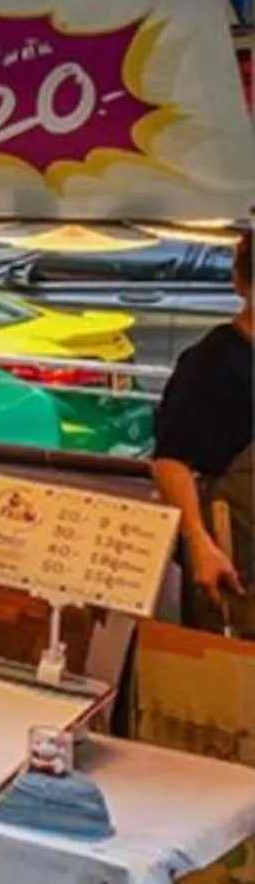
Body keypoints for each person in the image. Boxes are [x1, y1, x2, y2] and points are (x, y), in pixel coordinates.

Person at [152, 234, 252, 631]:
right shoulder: (210, 362)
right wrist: (198, 542)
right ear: (242, 284)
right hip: (233, 555)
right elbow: (169, 462)